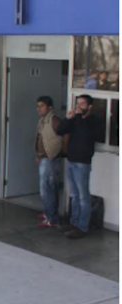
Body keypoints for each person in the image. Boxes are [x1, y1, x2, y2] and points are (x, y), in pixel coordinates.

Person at [56, 94, 98, 239]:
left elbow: (86, 135)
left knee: (83, 196)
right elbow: (60, 131)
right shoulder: (75, 120)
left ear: (89, 107)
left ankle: (82, 226)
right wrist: (68, 118)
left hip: (82, 162)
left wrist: (79, 117)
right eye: (77, 104)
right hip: (71, 160)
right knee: (73, 195)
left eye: (82, 104)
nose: (79, 107)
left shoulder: (92, 121)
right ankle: (73, 222)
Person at [34, 96, 63, 229]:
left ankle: (52, 218)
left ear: (50, 107)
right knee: (44, 188)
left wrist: (55, 153)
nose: (39, 109)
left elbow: (63, 137)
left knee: (49, 189)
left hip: (51, 159)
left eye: (42, 106)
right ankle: (47, 213)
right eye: (38, 106)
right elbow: (40, 139)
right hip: (44, 157)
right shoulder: (42, 121)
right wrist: (38, 154)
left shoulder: (54, 120)